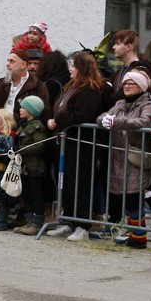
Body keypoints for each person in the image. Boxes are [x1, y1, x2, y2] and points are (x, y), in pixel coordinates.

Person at [46, 51, 106, 240]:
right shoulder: (70, 86)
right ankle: (69, 220)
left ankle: (82, 225)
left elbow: (81, 114)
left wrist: (58, 120)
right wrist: (54, 120)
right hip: (65, 141)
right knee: (66, 181)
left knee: (80, 183)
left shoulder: (90, 89)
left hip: (81, 143)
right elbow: (60, 106)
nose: (70, 69)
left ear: (82, 68)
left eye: (73, 66)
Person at [98, 69, 151, 249]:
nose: (127, 86)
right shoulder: (120, 103)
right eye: (125, 83)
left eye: (131, 83)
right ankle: (133, 236)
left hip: (136, 157)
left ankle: (139, 238)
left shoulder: (147, 102)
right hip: (118, 157)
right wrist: (105, 121)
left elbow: (144, 121)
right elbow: (101, 117)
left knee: (133, 198)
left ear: (140, 86)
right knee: (123, 196)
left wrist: (116, 122)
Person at [14, 95, 50, 236]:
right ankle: (29, 220)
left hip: (34, 167)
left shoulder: (37, 126)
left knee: (36, 194)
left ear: (31, 111)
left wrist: (21, 149)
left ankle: (37, 222)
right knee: (26, 194)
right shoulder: (24, 124)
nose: (20, 110)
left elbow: (40, 146)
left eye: (23, 107)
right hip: (24, 166)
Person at [0, 50, 50, 124]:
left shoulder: (37, 87)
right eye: (8, 61)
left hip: (22, 133)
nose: (7, 64)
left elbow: (44, 115)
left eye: (12, 61)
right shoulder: (0, 84)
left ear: (23, 65)